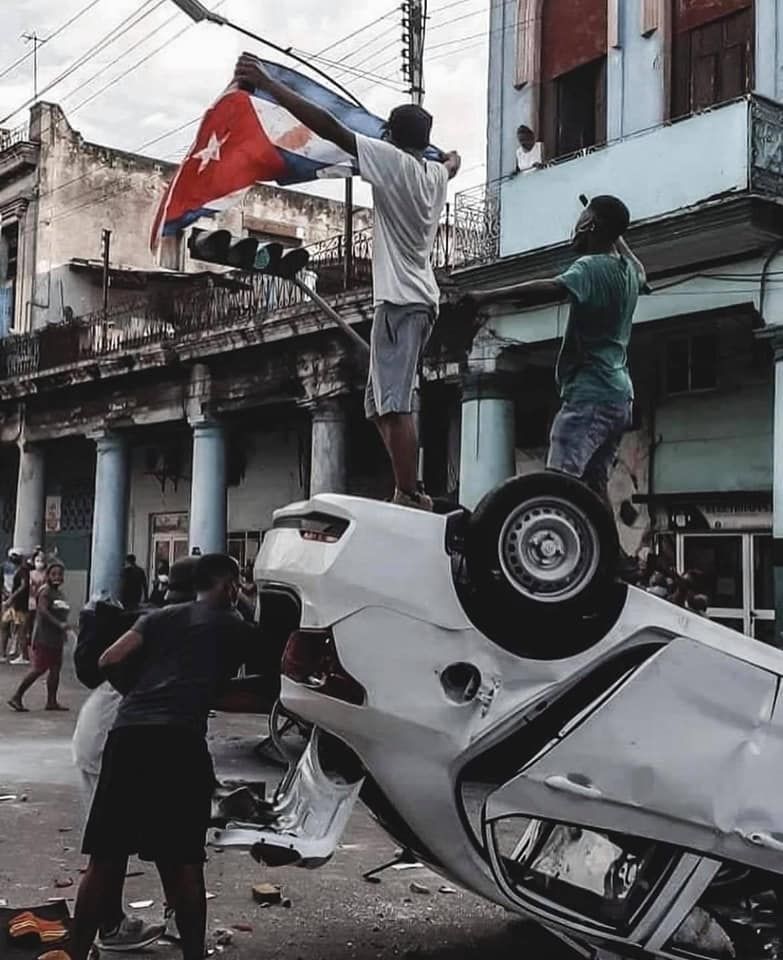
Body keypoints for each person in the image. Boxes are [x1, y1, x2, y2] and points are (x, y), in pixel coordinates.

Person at [234, 54, 461, 511]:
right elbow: (453, 162)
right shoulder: (435, 173)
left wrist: (268, 83)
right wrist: (450, 154)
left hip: (403, 300)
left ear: (392, 138)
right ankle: (404, 485)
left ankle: (410, 493)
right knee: (377, 405)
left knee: (395, 403)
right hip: (410, 300)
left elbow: (327, 125)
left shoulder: (391, 162)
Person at [69, 554, 258, 960]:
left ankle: (76, 952)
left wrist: (142, 693)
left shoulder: (158, 618)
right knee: (184, 861)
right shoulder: (232, 623)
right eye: (237, 584)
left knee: (104, 859)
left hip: (128, 736)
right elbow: (268, 673)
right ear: (227, 587)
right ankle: (192, 954)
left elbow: (107, 660)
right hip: (178, 743)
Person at [463, 195, 646, 504]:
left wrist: (485, 296)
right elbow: (643, 272)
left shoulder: (590, 268)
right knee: (592, 487)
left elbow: (550, 288)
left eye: (581, 219)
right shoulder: (627, 272)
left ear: (589, 224)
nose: (574, 227)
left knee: (558, 487)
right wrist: (618, 240)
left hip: (590, 395)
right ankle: (606, 551)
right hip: (619, 398)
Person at [8, 561, 70, 711]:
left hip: (56, 638)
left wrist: (63, 630)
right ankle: (17, 696)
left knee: (55, 669)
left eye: (60, 574)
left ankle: (51, 701)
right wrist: (59, 624)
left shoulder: (59, 593)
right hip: (44, 637)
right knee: (39, 668)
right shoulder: (46, 592)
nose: (57, 577)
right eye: (53, 574)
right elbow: (42, 611)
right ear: (47, 576)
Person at [0, 548, 24, 662]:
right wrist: (5, 593)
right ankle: (3, 653)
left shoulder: (23, 569)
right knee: (4, 625)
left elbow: (23, 586)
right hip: (7, 600)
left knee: (19, 627)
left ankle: (17, 651)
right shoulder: (4, 567)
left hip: (18, 602)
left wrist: (12, 596)